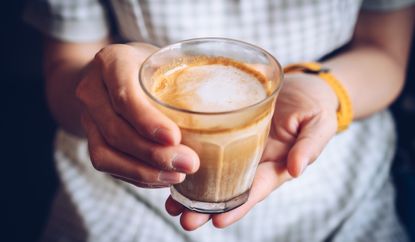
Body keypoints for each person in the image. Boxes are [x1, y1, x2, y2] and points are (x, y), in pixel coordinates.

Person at [24, 0, 414, 241]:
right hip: (127, 180)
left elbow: (384, 51)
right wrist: (105, 102)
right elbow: (66, 67)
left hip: (332, 167)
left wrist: (323, 90)